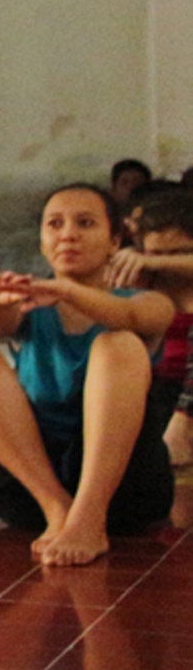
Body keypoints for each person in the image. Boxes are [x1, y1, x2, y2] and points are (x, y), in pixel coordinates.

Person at [0, 183, 177, 566]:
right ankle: (58, 507)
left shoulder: (148, 303)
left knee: (118, 344)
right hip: (31, 498)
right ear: (42, 242)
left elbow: (135, 319)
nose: (68, 233)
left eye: (85, 223)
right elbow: (0, 324)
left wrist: (67, 291)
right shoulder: (33, 304)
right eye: (55, 224)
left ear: (115, 240)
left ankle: (88, 515)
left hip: (126, 494)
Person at [105, 184, 193, 467]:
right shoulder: (141, 278)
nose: (162, 264)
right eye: (155, 254)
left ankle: (183, 428)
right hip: (156, 390)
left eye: (178, 254)